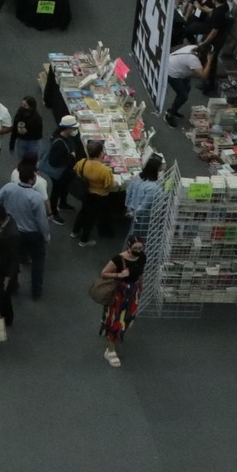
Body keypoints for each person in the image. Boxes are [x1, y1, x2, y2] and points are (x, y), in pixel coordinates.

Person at [96, 235, 148, 367]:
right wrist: (119, 275)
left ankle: (115, 338)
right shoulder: (118, 259)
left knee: (127, 319)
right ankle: (110, 349)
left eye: (140, 247)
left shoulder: (142, 257)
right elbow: (103, 273)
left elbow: (140, 273)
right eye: (135, 248)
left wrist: (141, 288)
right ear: (129, 247)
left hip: (132, 293)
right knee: (115, 320)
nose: (138, 250)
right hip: (119, 293)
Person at [71, 139, 119, 244]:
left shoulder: (82, 162)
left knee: (83, 212)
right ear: (101, 153)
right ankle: (84, 240)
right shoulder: (105, 171)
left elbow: (76, 170)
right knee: (91, 218)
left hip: (85, 192)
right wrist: (114, 183)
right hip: (98, 196)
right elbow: (109, 185)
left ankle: (75, 231)